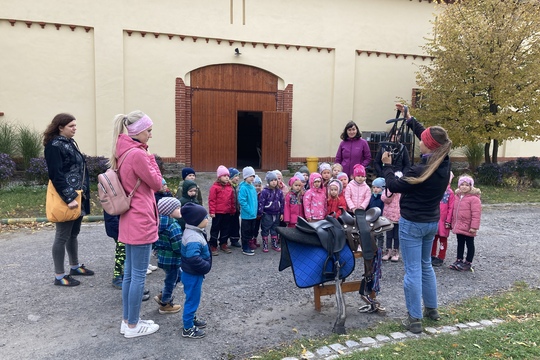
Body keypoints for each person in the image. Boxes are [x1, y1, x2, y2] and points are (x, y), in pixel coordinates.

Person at [381, 103, 452, 334]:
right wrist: (409, 118)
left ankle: (414, 319)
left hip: (412, 224)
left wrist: (387, 167)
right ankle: (432, 310)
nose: (419, 140)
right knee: (425, 266)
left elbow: (392, 185)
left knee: (412, 270)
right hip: (431, 222)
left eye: (423, 139)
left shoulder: (417, 172)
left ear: (429, 146)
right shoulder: (444, 162)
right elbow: (430, 136)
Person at [111, 110, 162, 338]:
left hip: (129, 218)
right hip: (141, 218)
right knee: (138, 275)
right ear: (138, 131)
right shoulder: (138, 155)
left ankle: (128, 320)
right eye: (149, 131)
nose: (150, 136)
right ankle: (133, 325)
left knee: (130, 275)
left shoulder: (122, 152)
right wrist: (150, 157)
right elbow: (157, 183)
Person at [43, 113, 94, 287]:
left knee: (73, 233)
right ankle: (59, 275)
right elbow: (55, 175)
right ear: (60, 127)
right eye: (71, 126)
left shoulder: (69, 143)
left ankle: (74, 266)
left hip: (79, 195)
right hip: (68, 197)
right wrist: (69, 198)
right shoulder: (54, 146)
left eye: (75, 125)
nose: (75, 128)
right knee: (62, 236)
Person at [104, 210, 151, 300]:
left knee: (125, 255)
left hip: (122, 224)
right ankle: (117, 278)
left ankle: (127, 281)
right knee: (121, 254)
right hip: (118, 225)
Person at [180, 203, 211, 339]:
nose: (207, 219)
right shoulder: (193, 237)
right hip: (192, 274)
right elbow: (193, 258)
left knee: (193, 298)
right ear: (196, 220)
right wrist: (205, 266)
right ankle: (187, 328)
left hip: (192, 273)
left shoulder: (194, 232)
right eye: (205, 217)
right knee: (192, 300)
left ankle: (191, 319)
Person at [153, 197, 183, 314]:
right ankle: (165, 303)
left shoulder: (159, 224)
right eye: (177, 208)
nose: (180, 210)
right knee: (171, 280)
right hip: (173, 260)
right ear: (169, 211)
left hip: (163, 258)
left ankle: (162, 294)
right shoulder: (173, 226)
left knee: (176, 276)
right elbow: (178, 247)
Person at [449, 175, 481, 272]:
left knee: (470, 244)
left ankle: (468, 262)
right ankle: (459, 259)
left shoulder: (474, 199)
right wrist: (452, 222)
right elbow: (454, 210)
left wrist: (474, 227)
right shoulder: (457, 197)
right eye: (462, 184)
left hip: (469, 226)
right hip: (459, 225)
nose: (464, 187)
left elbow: (476, 214)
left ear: (471, 186)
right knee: (460, 242)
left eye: (467, 185)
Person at [208, 166, 235, 256]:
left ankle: (223, 243)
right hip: (217, 212)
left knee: (225, 228)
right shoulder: (215, 187)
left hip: (227, 212)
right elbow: (212, 200)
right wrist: (212, 211)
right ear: (219, 177)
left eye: (228, 175)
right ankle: (213, 245)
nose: (227, 177)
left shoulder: (229, 187)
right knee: (215, 229)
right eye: (224, 176)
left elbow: (232, 200)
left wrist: (232, 210)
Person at [432, 172, 455, 267]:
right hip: (434, 218)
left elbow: (451, 208)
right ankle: (431, 255)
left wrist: (448, 221)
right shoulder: (435, 190)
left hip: (444, 221)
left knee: (443, 239)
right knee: (433, 238)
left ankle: (441, 257)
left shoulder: (450, 193)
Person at [258, 171, 284, 252]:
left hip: (276, 213)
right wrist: (260, 212)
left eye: (275, 180)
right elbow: (261, 202)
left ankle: (274, 244)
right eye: (272, 180)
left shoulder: (279, 191)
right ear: (269, 182)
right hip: (267, 213)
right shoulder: (265, 191)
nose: (274, 182)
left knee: (274, 229)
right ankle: (265, 244)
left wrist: (282, 213)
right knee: (265, 229)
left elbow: (282, 202)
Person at [238, 166, 258, 255]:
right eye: (250, 176)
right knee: (245, 232)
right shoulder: (243, 188)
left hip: (253, 214)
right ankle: (245, 247)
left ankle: (249, 245)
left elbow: (255, 200)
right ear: (245, 177)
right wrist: (250, 210)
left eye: (253, 176)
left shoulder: (252, 187)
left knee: (251, 231)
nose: (252, 178)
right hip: (247, 215)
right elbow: (242, 201)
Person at [381, 187, 401, 262]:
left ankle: (396, 251)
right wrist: (391, 192)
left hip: (399, 217)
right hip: (389, 217)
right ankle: (388, 251)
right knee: (388, 236)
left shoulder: (402, 191)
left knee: (396, 236)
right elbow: (384, 199)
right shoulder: (388, 190)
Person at [368, 177, 386, 250]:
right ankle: (373, 247)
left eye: (378, 187)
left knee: (380, 234)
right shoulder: (372, 197)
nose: (375, 189)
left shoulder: (382, 198)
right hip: (372, 219)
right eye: (374, 187)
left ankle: (380, 248)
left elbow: (383, 208)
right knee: (372, 234)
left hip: (379, 219)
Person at [228, 167, 241, 248]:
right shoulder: (228, 186)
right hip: (229, 210)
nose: (237, 178)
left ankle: (235, 240)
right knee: (228, 225)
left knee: (236, 225)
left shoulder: (238, 186)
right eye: (236, 176)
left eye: (238, 176)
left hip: (236, 209)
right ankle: (224, 240)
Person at [252, 175, 263, 249]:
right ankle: (251, 240)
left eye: (259, 185)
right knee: (252, 227)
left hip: (259, 214)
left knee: (257, 228)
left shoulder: (261, 194)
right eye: (256, 185)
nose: (257, 187)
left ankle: (255, 239)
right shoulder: (252, 194)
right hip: (252, 214)